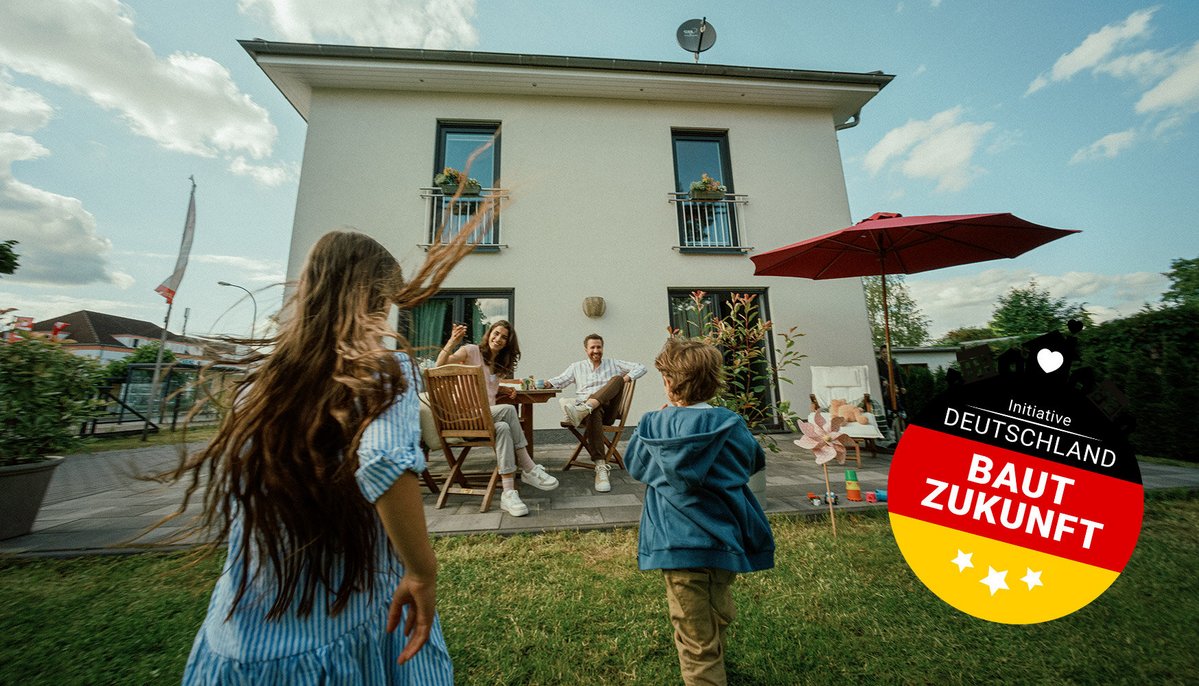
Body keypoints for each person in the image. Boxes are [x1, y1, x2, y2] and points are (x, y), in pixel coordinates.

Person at [169, 230, 468, 684]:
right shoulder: (382, 371)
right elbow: (384, 459)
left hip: (239, 636)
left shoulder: (259, 383)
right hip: (343, 625)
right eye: (386, 304)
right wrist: (422, 571)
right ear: (371, 301)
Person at [625, 337, 775, 686]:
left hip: (677, 546)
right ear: (713, 381)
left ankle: (708, 674)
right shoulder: (729, 423)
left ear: (669, 382)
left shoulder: (652, 424)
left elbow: (635, 465)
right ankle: (714, 663)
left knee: (695, 636)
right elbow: (753, 462)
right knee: (717, 613)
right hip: (723, 540)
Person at [436, 319, 559, 517]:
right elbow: (439, 365)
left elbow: (485, 385)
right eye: (496, 333)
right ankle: (528, 467)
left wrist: (503, 388)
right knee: (509, 411)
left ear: (507, 343)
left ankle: (508, 493)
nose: (498, 339)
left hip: (485, 421)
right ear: (489, 334)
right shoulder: (470, 351)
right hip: (464, 419)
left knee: (503, 428)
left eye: (504, 337)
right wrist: (452, 342)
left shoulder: (499, 364)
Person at [545, 333, 646, 492]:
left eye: (599, 347)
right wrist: (546, 383)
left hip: (609, 412)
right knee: (594, 409)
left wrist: (625, 378)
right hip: (591, 415)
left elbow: (641, 367)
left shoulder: (613, 364)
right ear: (586, 349)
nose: (596, 350)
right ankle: (600, 466)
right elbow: (560, 380)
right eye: (592, 347)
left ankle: (583, 408)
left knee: (617, 379)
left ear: (602, 348)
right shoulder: (576, 367)